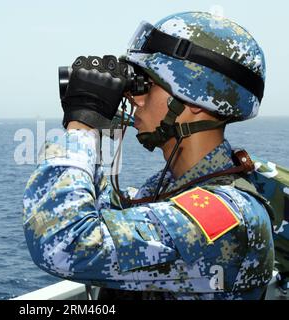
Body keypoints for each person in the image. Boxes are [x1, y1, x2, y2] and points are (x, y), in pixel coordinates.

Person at [23, 11, 275, 300]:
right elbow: (101, 210)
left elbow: (61, 243)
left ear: (195, 100)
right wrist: (92, 116)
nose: (134, 97)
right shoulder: (173, 185)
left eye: (146, 84)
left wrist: (82, 129)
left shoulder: (226, 216)